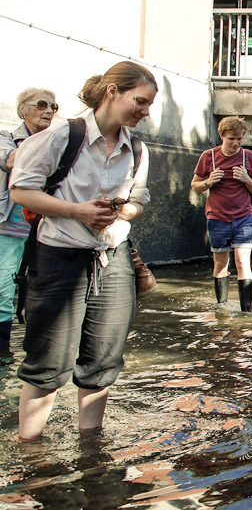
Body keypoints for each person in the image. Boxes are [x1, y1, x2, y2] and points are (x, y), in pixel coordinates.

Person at [10, 61, 155, 440]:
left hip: (113, 260)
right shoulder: (60, 136)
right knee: (48, 364)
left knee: (103, 361)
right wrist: (79, 211)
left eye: (149, 104)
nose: (145, 111)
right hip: (58, 258)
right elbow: (21, 190)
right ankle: (32, 453)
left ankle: (91, 446)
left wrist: (124, 209)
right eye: (139, 101)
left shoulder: (137, 149)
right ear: (112, 92)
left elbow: (139, 200)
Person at [0, 88, 58, 360]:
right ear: (23, 110)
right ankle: (3, 352)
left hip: (45, 231)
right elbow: (11, 161)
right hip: (8, 229)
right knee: (2, 288)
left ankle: (40, 353)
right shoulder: (7, 138)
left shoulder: (57, 143)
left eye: (54, 107)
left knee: (43, 290)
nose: (49, 111)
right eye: (43, 105)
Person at [191, 116, 252, 312]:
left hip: (243, 218)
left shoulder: (250, 157)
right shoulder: (208, 157)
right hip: (217, 218)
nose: (236, 143)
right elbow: (195, 185)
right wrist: (208, 182)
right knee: (221, 263)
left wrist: (247, 179)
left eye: (239, 139)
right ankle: (221, 307)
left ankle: (246, 311)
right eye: (232, 138)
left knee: (242, 261)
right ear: (222, 136)